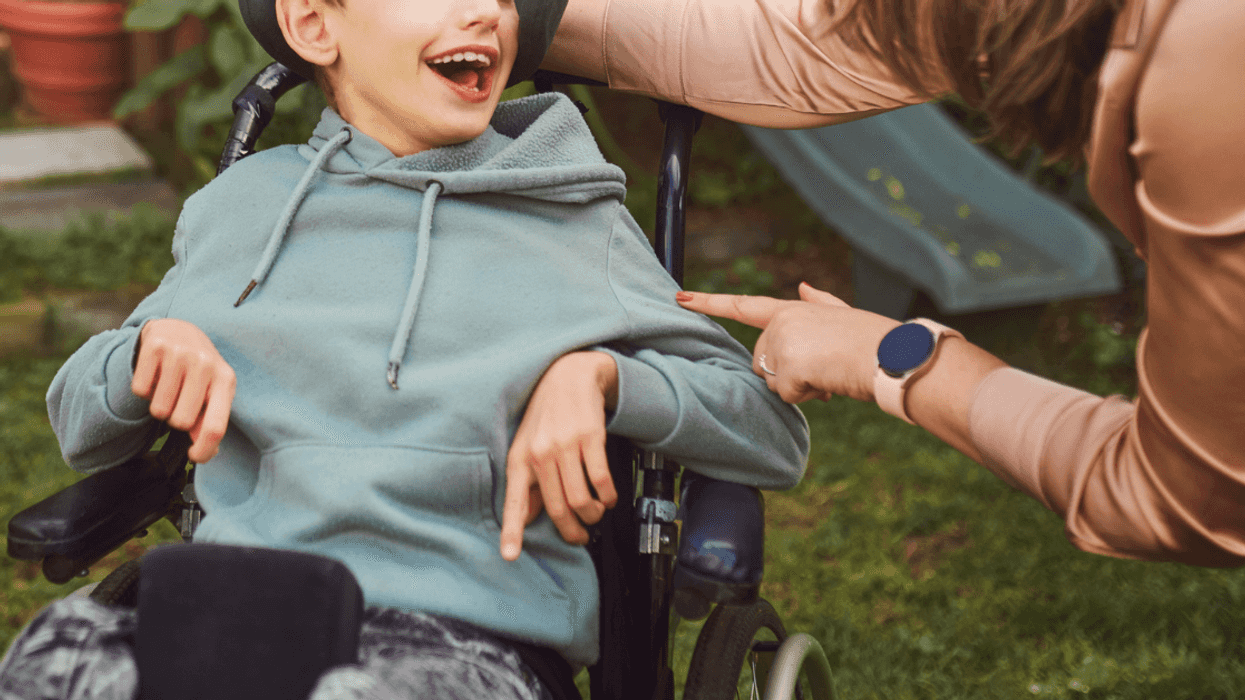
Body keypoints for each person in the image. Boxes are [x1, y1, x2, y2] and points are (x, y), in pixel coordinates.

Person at [0, 0, 809, 697]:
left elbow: (770, 430)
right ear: (316, 24)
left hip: (461, 640)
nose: (486, 12)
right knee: (46, 667)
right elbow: (79, 426)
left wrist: (605, 380)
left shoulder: (574, 221)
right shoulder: (241, 209)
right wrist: (145, 355)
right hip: (238, 608)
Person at [543, 0, 1245, 566]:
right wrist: (522, 17)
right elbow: (809, 50)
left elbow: (1185, 498)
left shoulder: (1205, 57)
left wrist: (888, 358)